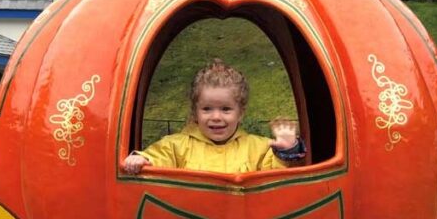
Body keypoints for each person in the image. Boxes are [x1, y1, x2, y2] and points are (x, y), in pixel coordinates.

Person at [121, 59, 306, 175]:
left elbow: (273, 178)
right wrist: (142, 160)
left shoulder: (257, 147)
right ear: (195, 112)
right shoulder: (177, 145)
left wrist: (286, 150)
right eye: (207, 109)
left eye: (226, 109)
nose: (216, 117)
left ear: (240, 113)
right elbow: (158, 157)